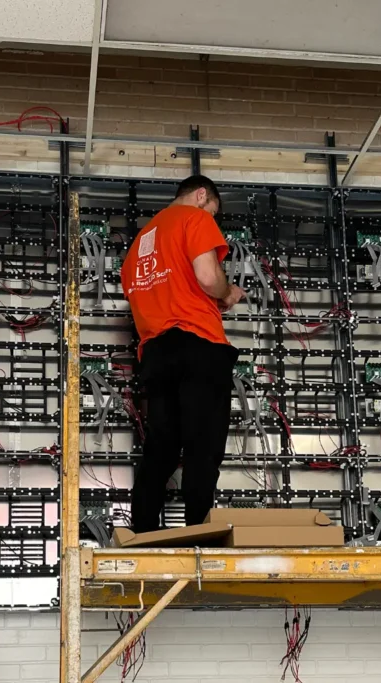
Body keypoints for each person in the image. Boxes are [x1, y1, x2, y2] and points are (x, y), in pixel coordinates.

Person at [120, 175, 246, 532]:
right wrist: (227, 293)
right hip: (198, 344)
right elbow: (207, 277)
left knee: (161, 447)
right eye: (214, 212)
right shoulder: (195, 218)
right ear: (202, 195)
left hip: (155, 353)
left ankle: (142, 533)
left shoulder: (139, 243)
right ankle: (199, 540)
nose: (213, 220)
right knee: (202, 447)